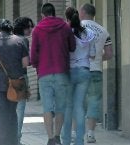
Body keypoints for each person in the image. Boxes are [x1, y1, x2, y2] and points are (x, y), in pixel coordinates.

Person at [30, 3, 76, 145]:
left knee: (47, 107)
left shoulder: (37, 29)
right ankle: (57, 136)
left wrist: (38, 67)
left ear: (42, 15)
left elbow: (33, 55)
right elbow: (72, 47)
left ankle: (50, 138)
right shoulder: (65, 27)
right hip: (62, 72)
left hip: (44, 73)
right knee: (61, 107)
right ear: (54, 13)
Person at [79, 3, 113, 143]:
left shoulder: (76, 27)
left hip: (79, 69)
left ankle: (77, 133)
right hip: (96, 71)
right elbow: (110, 54)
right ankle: (91, 134)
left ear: (82, 12)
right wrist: (98, 58)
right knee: (94, 101)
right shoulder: (103, 31)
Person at [61, 7, 96, 145]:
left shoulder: (65, 32)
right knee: (80, 107)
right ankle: (80, 141)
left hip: (69, 71)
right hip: (84, 71)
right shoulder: (89, 33)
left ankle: (66, 140)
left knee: (68, 106)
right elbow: (93, 55)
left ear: (67, 18)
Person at [13, 16, 34, 145]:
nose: (31, 29)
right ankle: (17, 138)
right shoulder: (23, 40)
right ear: (23, 28)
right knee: (20, 109)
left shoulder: (9, 39)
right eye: (29, 27)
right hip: (20, 77)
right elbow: (25, 62)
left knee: (9, 109)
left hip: (7, 77)